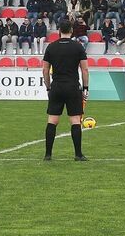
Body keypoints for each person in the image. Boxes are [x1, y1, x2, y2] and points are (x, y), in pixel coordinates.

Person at [41, 19, 89, 161]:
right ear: (72, 31)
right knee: (75, 120)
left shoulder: (51, 47)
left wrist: (48, 87)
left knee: (52, 120)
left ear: (59, 31)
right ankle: (78, 154)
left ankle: (48, 154)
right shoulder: (78, 47)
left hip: (57, 86)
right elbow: (85, 69)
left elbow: (45, 70)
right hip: (72, 86)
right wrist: (86, 87)